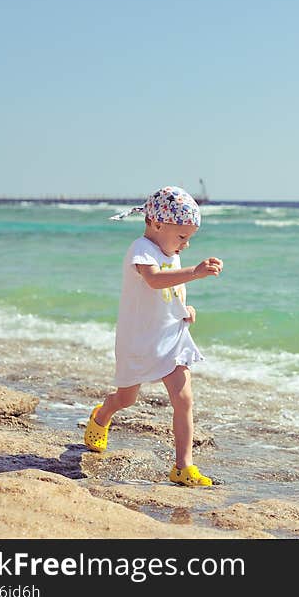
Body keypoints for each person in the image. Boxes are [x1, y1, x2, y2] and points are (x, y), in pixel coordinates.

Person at [83, 186, 223, 487]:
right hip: (139, 340)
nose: (185, 245)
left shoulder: (170, 253)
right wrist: (195, 273)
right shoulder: (141, 250)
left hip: (171, 338)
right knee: (126, 398)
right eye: (182, 237)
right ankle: (102, 415)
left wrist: (186, 309)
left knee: (184, 399)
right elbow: (154, 280)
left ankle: (183, 466)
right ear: (157, 224)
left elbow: (170, 294)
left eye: (189, 239)